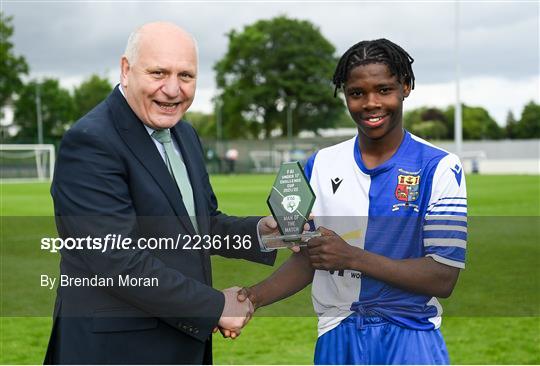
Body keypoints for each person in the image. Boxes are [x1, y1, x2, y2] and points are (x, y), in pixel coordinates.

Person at [44, 22, 279, 364]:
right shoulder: (92, 141)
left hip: (179, 344)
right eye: (158, 73)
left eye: (186, 76)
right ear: (126, 70)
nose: (173, 90)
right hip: (114, 352)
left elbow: (202, 226)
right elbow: (116, 262)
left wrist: (265, 233)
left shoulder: (184, 134)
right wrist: (216, 306)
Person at [238, 39, 467, 364]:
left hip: (411, 338)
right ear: (345, 94)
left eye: (384, 90)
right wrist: (253, 298)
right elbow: (309, 259)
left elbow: (443, 276)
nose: (371, 103)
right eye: (357, 93)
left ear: (406, 86)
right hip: (337, 336)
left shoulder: (440, 167)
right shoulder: (318, 165)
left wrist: (351, 257)